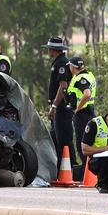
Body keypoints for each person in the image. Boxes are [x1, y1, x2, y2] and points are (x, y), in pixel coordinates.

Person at [41, 36, 73, 170]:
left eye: (49, 49)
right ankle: (59, 169)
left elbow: (63, 86)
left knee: (63, 140)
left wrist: (54, 106)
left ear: (54, 49)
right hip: (57, 107)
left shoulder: (61, 63)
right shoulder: (58, 62)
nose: (48, 51)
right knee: (54, 140)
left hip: (61, 108)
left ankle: (70, 169)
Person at [66, 56, 97, 167]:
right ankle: (90, 170)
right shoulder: (89, 75)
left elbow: (87, 94)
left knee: (82, 144)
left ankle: (87, 170)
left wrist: (77, 108)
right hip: (89, 112)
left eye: (70, 65)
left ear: (73, 67)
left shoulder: (81, 79)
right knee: (89, 141)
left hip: (82, 114)